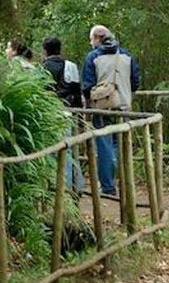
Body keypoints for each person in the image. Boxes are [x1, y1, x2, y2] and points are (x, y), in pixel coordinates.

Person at [81, 24, 141, 196]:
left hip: (102, 107)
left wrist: (91, 100)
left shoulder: (93, 57)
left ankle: (108, 187)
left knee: (104, 144)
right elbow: (135, 82)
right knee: (121, 143)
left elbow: (87, 86)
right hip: (124, 106)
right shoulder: (126, 56)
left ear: (98, 38)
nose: (91, 43)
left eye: (91, 39)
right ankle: (125, 181)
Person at [41, 36, 84, 192]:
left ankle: (57, 186)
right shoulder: (70, 66)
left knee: (52, 151)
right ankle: (73, 185)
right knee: (69, 150)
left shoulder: (42, 68)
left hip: (49, 114)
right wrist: (80, 117)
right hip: (68, 113)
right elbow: (77, 93)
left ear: (45, 50)